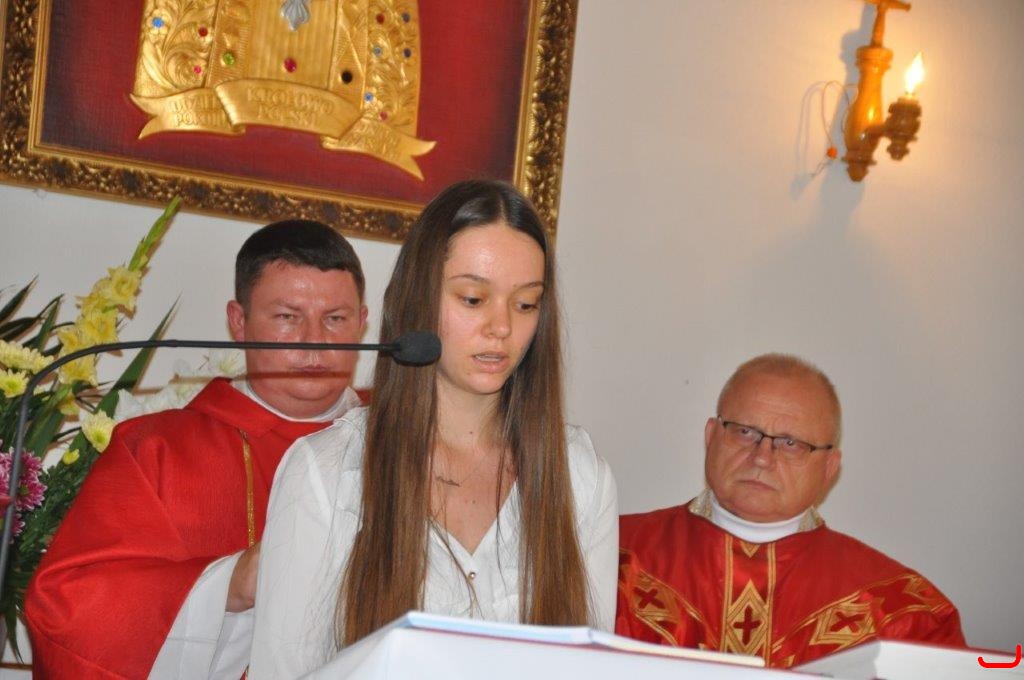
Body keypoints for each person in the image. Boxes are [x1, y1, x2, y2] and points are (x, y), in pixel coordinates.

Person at [248, 180, 618, 678]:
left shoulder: (580, 475)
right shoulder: (328, 472)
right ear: (418, 299)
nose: (502, 327)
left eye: (526, 304)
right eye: (473, 299)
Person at [25, 220, 368, 679]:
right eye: (288, 317)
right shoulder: (154, 449)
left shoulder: (411, 442)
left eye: (335, 319)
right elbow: (67, 609)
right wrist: (230, 585)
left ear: (363, 323)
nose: (314, 341)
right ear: (238, 321)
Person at [616, 354, 965, 668]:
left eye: (791, 443)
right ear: (710, 437)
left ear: (830, 468)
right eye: (744, 432)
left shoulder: (901, 612)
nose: (762, 457)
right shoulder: (611, 557)